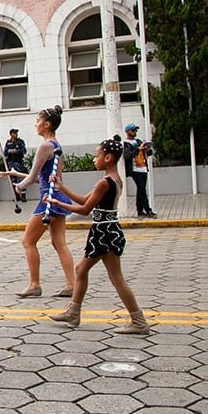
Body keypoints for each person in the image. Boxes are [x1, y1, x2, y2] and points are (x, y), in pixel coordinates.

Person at [44, 136, 150, 335]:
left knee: (115, 277)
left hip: (104, 233)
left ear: (108, 157)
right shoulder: (112, 179)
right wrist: (62, 189)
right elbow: (86, 199)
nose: (94, 159)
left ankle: (139, 321)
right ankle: (74, 312)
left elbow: (85, 209)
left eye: (97, 156)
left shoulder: (104, 182)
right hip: (106, 230)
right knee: (82, 269)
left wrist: (57, 203)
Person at [0, 106, 77, 299]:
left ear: (47, 124)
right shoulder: (56, 145)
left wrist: (19, 187)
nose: (36, 124)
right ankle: (72, 285)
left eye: (38, 121)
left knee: (28, 241)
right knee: (59, 243)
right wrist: (17, 174)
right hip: (57, 196)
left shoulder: (44, 146)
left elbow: (33, 178)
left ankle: (34, 284)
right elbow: (46, 176)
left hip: (47, 200)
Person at [122, 123, 156, 218]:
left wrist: (147, 149)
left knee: (140, 190)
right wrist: (138, 149)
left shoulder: (138, 141)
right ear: (128, 132)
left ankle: (140, 210)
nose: (135, 132)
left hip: (143, 168)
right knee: (142, 189)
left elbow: (148, 153)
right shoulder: (126, 144)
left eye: (136, 130)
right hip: (134, 169)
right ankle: (148, 210)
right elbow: (127, 156)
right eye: (133, 130)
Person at [3, 128, 28, 201]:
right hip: (11, 163)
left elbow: (24, 151)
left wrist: (16, 151)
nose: (16, 134)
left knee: (21, 179)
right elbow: (5, 152)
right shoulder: (8, 143)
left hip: (19, 162)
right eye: (14, 133)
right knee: (13, 180)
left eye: (16, 133)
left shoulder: (20, 142)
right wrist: (9, 151)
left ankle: (23, 196)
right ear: (11, 134)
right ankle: (17, 196)